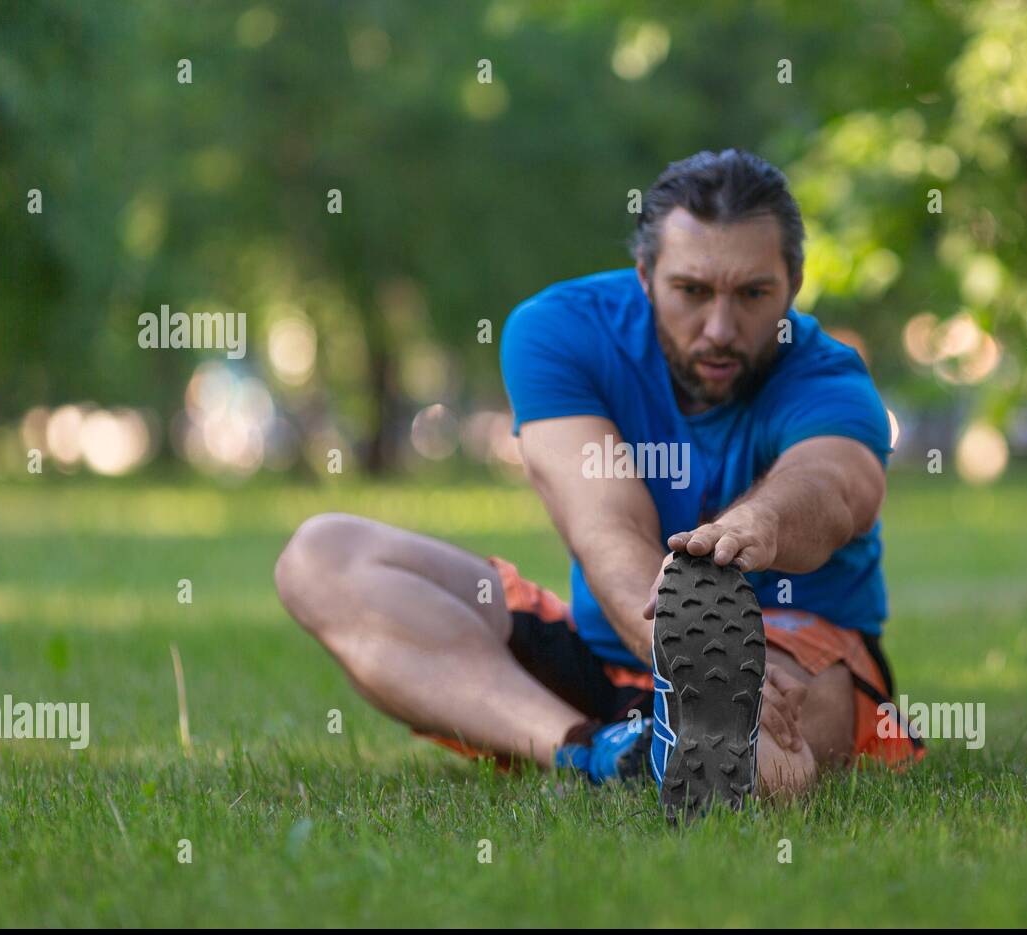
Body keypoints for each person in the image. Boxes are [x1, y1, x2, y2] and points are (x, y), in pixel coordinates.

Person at [274, 149, 923, 810]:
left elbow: (835, 486)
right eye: (692, 292)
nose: (721, 328)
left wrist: (758, 524)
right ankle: (595, 748)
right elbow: (605, 524)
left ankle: (700, 733)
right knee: (320, 556)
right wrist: (686, 657)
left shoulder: (828, 376)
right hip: (609, 647)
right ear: (645, 275)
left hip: (789, 654)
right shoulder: (559, 331)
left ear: (794, 282)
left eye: (753, 294)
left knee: (758, 770)